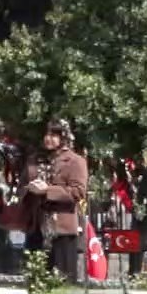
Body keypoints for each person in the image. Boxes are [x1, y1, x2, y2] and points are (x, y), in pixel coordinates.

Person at [23, 118, 89, 282]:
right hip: (37, 226)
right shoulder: (35, 160)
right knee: (36, 277)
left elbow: (78, 192)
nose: (48, 138)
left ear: (64, 138)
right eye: (46, 134)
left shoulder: (75, 161)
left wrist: (48, 190)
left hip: (61, 229)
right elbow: (21, 186)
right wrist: (28, 189)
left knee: (62, 278)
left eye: (54, 135)